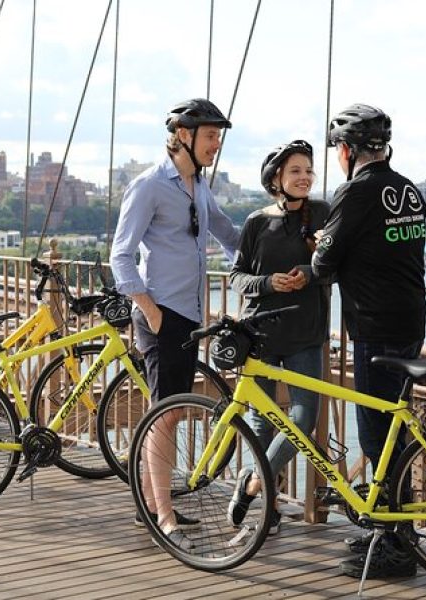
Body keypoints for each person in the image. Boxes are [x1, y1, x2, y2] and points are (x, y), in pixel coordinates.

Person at [110, 98, 240, 549]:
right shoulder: (149, 186)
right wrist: (150, 309)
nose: (215, 144)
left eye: (218, 136)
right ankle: (163, 517)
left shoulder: (198, 185)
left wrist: (276, 260)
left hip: (187, 314)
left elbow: (228, 234)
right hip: (163, 313)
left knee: (170, 411)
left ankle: (152, 501)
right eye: (209, 136)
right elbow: (120, 255)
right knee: (165, 416)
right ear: (183, 135)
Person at [311, 103, 426, 579]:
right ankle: (388, 529)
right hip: (410, 321)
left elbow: (323, 264)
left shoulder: (356, 192)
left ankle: (397, 546)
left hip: (374, 327)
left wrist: (321, 242)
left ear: (345, 151)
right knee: (392, 431)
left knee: (377, 435)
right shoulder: (409, 190)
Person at [226, 140, 330, 536]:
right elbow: (237, 277)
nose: (304, 178)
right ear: (276, 179)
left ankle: (253, 484)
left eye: (308, 171)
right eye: (295, 172)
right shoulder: (256, 222)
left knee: (302, 419)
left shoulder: (323, 214)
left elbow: (336, 267)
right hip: (262, 334)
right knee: (262, 422)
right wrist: (269, 282)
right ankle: (268, 504)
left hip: (306, 334)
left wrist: (310, 272)